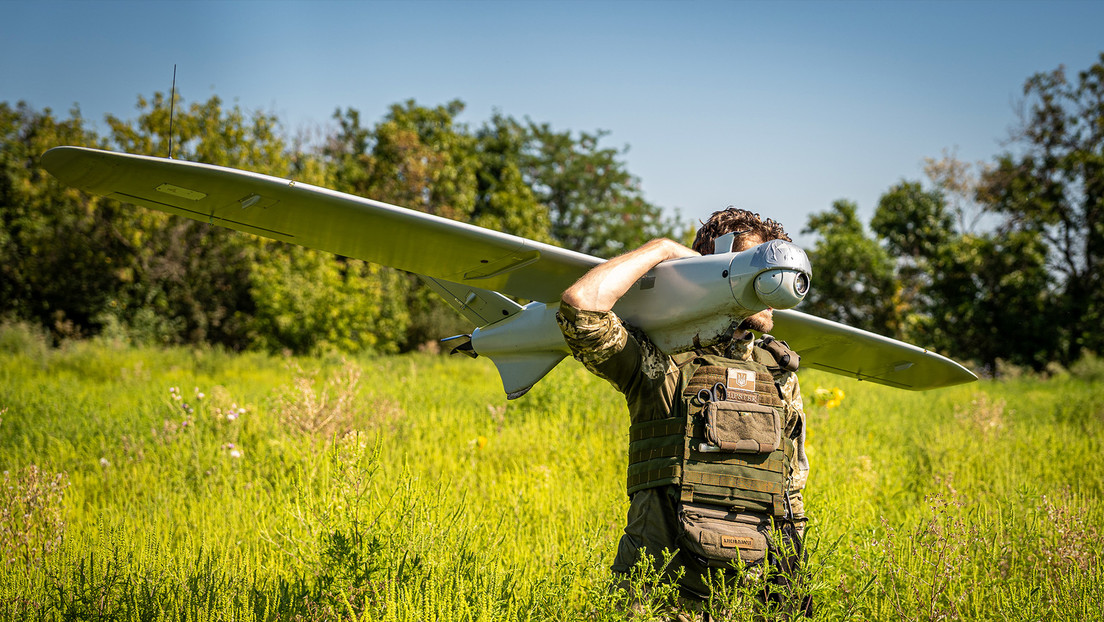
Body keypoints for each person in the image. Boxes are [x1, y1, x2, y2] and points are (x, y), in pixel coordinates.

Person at [557, 207, 811, 617]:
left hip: (745, 597)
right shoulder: (662, 359)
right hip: (658, 594)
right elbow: (581, 308)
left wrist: (791, 590)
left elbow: (791, 494)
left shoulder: (778, 375)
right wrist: (661, 250)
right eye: (754, 266)